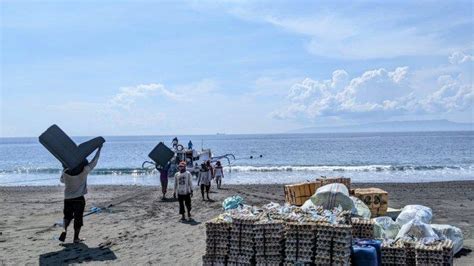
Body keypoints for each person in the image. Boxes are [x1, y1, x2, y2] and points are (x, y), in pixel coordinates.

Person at [59, 146, 102, 243]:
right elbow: (94, 162)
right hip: (79, 199)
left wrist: (65, 167)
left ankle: (64, 230)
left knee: (67, 217)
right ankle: (76, 238)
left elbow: (61, 180)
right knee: (78, 218)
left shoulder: (66, 171)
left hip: (68, 198)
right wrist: (99, 150)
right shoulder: (84, 171)